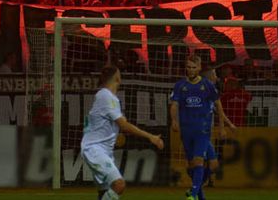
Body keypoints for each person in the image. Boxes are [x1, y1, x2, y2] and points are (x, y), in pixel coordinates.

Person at [82, 65, 164, 200]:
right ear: (117, 78)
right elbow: (124, 126)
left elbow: (118, 123)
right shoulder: (106, 96)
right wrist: (151, 137)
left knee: (104, 192)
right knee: (119, 185)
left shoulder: (109, 97)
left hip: (102, 150)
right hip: (95, 149)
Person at [170, 55, 227, 200]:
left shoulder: (207, 85)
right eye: (188, 67)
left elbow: (218, 105)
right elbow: (174, 104)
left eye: (193, 67)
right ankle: (198, 193)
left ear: (199, 68)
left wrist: (222, 127)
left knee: (201, 162)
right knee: (193, 165)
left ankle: (193, 194)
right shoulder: (180, 85)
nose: (190, 70)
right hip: (186, 131)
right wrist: (174, 120)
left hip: (203, 130)